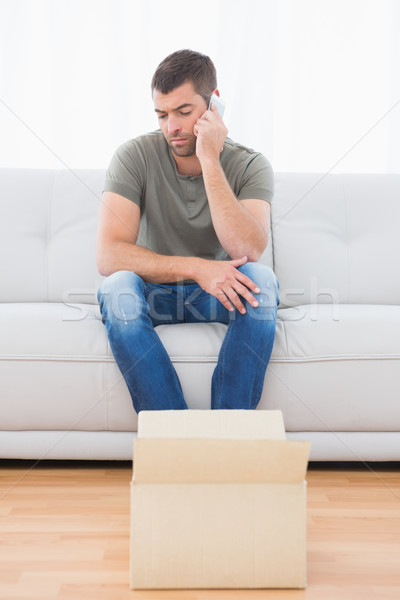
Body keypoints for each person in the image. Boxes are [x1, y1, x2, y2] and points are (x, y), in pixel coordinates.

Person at [96, 49, 279, 413]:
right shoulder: (134, 156)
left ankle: (230, 433)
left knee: (262, 280)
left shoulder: (250, 165)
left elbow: (249, 248)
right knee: (116, 287)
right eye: (162, 115)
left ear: (214, 106)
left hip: (219, 292)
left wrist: (210, 158)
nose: (172, 128)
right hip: (155, 293)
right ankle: (172, 435)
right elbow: (110, 255)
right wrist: (197, 267)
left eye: (183, 112)